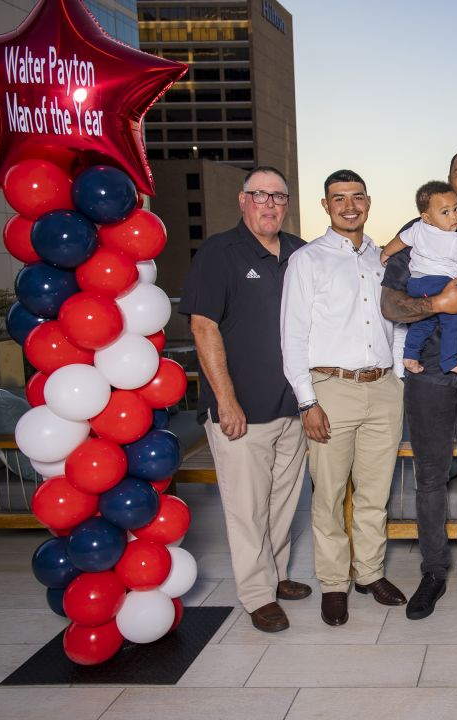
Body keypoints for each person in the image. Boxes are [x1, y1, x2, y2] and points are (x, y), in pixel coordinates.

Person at [178, 166, 311, 633]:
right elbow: (203, 327)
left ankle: (274, 577)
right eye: (260, 195)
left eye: (278, 197)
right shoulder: (220, 252)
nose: (270, 204)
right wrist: (225, 401)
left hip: (292, 406)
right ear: (242, 200)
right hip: (242, 410)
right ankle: (257, 595)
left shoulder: (299, 252)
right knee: (246, 507)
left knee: (282, 503)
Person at [380, 148, 457, 620]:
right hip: (429, 375)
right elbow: (391, 305)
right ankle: (434, 571)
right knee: (429, 478)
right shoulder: (419, 236)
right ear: (448, 185)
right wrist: (437, 306)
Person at [280, 169, 408, 627]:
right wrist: (307, 401)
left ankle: (370, 573)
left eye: (357, 197)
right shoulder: (308, 261)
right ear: (326, 205)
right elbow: (292, 335)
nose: (349, 205)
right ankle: (334, 584)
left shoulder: (383, 259)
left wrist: (396, 377)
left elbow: (395, 319)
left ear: (368, 202)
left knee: (375, 494)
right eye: (339, 198)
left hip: (383, 389)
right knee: (329, 496)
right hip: (330, 389)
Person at [382, 181, 457, 375]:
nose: (454, 217)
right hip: (439, 283)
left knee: (424, 321)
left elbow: (400, 240)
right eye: (445, 212)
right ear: (427, 217)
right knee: (453, 321)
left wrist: (385, 253)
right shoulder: (453, 240)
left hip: (416, 283)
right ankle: (449, 361)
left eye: (456, 209)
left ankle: (410, 355)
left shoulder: (417, 228)